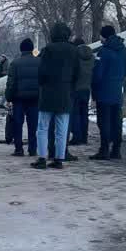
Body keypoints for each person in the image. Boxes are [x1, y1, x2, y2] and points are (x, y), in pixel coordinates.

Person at [31, 22, 79, 169]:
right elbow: (77, 72)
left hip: (48, 93)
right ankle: (59, 158)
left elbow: (41, 72)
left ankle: (42, 158)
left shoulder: (48, 50)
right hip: (65, 93)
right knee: (62, 128)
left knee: (43, 128)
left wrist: (42, 85)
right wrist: (71, 88)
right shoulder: (73, 50)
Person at [91, 24, 126, 161]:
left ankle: (104, 150)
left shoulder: (103, 52)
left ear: (104, 36)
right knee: (117, 121)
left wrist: (94, 88)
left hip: (103, 91)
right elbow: (125, 71)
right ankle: (116, 150)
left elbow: (97, 74)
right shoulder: (123, 49)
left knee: (104, 122)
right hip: (117, 91)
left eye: (101, 36)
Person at [4, 37, 42, 157]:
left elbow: (11, 83)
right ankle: (32, 149)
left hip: (19, 99)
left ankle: (19, 149)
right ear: (32, 49)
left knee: (18, 124)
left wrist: (8, 97)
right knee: (33, 125)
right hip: (35, 99)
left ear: (21, 49)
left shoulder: (15, 63)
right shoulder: (39, 62)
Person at [69, 36, 95, 146]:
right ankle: (84, 137)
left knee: (75, 113)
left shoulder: (74, 55)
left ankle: (76, 137)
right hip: (86, 88)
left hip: (75, 88)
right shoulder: (92, 56)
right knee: (84, 114)